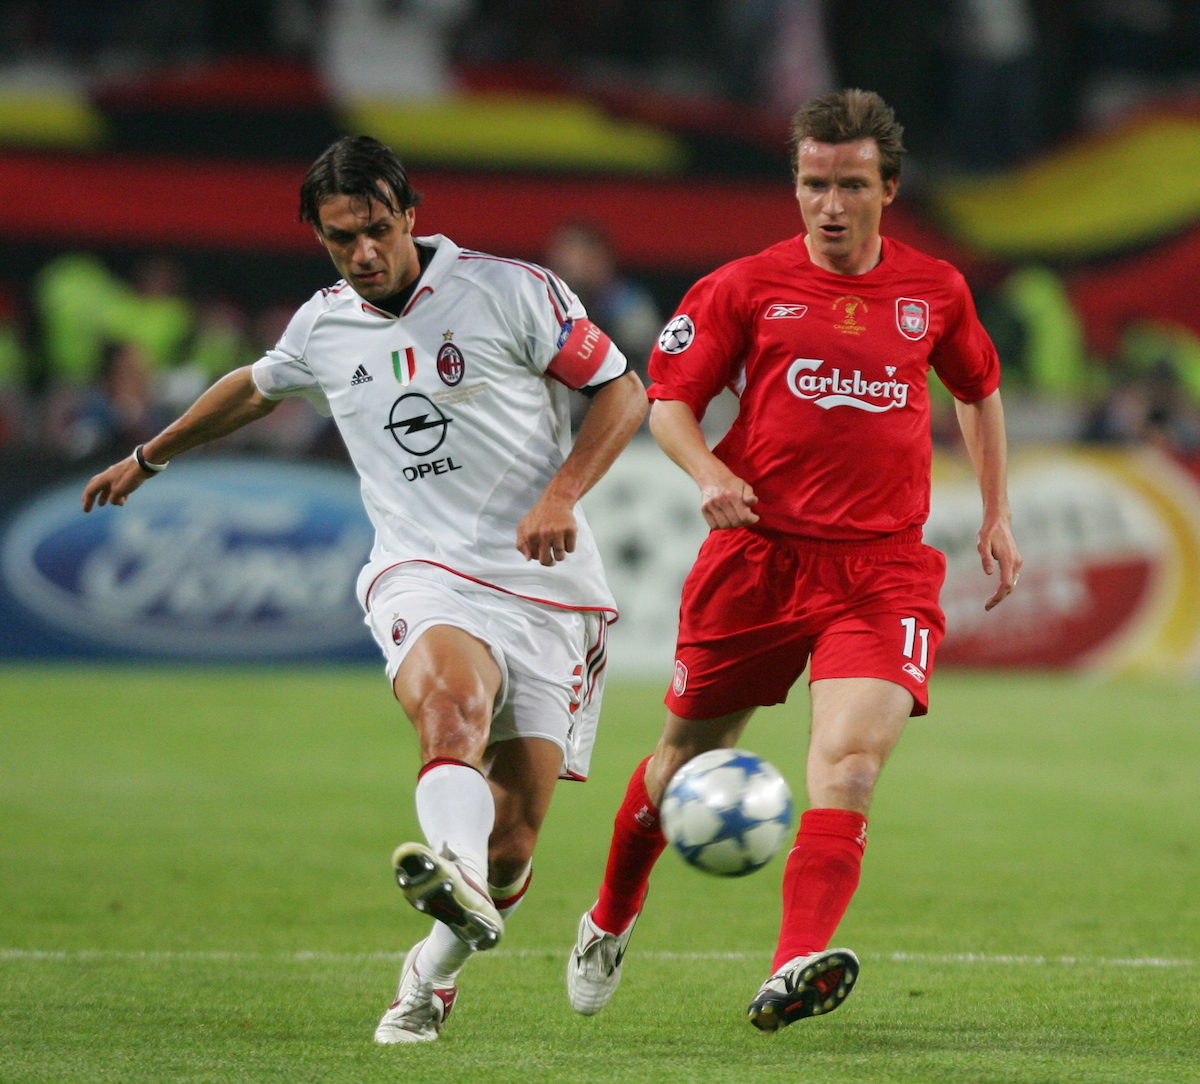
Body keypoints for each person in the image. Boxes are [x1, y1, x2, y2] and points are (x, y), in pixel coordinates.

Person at [81, 135, 647, 1044]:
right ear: (320, 237)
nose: (363, 254)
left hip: (545, 583)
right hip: (420, 567)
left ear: (410, 214)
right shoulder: (323, 323)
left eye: (376, 230)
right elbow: (255, 388)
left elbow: (623, 393)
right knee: (451, 707)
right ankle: (449, 864)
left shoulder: (512, 291)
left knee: (513, 847)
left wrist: (562, 493)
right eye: (340, 239)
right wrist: (149, 456)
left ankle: (430, 970)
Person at [566, 89, 1021, 1032]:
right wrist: (705, 473)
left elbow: (978, 390)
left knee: (849, 769)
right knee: (679, 764)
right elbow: (668, 402)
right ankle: (610, 916)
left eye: (851, 184)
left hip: (882, 568)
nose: (830, 204)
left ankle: (792, 965)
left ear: (888, 189)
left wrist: (998, 511)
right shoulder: (743, 286)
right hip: (760, 560)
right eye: (814, 183)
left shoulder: (934, 290)